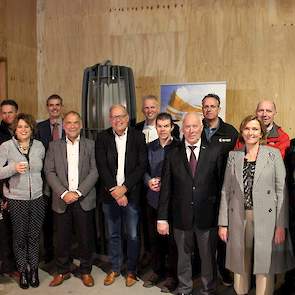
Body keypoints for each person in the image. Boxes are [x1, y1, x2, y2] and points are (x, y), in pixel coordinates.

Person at [218, 115, 295, 295]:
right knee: (240, 263)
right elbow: (225, 191)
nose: (250, 132)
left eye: (255, 129)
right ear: (242, 131)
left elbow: (281, 191)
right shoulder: (233, 156)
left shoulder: (273, 154)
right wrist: (223, 223)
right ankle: (241, 291)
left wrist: (280, 225)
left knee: (264, 264)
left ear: (261, 133)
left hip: (266, 217)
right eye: (247, 129)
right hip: (238, 216)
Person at [157, 112, 225, 295]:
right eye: (187, 126)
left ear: (201, 128)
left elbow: (221, 188)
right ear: (182, 129)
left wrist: (222, 219)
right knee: (183, 258)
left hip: (207, 216)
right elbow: (166, 189)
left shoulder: (214, 151)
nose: (191, 130)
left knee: (207, 257)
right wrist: (162, 218)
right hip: (181, 215)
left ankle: (208, 289)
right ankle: (184, 288)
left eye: (195, 126)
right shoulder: (173, 153)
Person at [44, 111, 98, 287]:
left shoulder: (91, 145)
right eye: (69, 122)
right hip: (62, 200)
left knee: (85, 238)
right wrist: (63, 193)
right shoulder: (53, 146)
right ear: (64, 125)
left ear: (80, 125)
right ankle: (62, 271)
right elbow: (49, 171)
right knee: (61, 239)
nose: (72, 125)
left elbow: (95, 171)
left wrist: (79, 192)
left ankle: (85, 270)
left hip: (84, 199)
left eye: (76, 122)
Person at [95, 104, 147, 287]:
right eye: (114, 117)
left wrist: (124, 188)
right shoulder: (102, 137)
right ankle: (115, 268)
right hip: (110, 196)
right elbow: (101, 166)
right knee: (113, 234)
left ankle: (131, 271)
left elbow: (141, 166)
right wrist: (116, 192)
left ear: (127, 118)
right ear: (110, 120)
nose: (118, 120)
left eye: (121, 116)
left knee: (132, 235)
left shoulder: (138, 137)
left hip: (131, 195)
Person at [0, 113, 46, 289]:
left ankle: (34, 269)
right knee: (19, 237)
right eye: (20, 126)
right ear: (15, 129)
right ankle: (23, 271)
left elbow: (43, 171)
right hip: (16, 199)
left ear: (32, 128)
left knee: (34, 236)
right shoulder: (6, 146)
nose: (23, 129)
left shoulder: (40, 146)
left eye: (27, 126)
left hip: (37, 198)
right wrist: (13, 168)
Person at [201, 93, 238, 287]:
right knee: (202, 234)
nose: (209, 109)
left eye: (212, 106)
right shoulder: (195, 129)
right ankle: (203, 270)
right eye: (205, 106)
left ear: (219, 108)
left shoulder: (230, 132)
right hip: (200, 193)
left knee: (223, 235)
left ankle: (223, 270)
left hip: (224, 193)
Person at [143, 112, 179, 293]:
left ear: (172, 127)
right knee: (155, 240)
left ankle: (173, 277)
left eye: (166, 126)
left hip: (172, 203)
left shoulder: (179, 147)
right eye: (160, 126)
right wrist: (148, 180)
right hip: (153, 200)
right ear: (155, 127)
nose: (163, 129)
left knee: (172, 243)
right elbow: (142, 170)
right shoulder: (149, 147)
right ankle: (157, 271)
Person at [35, 94, 65, 264]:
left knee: (64, 219)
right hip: (46, 181)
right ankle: (48, 251)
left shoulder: (68, 126)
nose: (54, 108)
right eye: (51, 105)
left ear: (61, 106)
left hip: (66, 180)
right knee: (46, 219)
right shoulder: (39, 128)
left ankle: (64, 251)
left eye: (57, 105)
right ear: (47, 107)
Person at [0, 99, 18, 277]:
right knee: (5, 230)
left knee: (17, 229)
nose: (7, 115)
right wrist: (3, 197)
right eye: (4, 112)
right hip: (4, 190)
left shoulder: (22, 129)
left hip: (20, 189)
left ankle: (16, 264)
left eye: (10, 112)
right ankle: (8, 267)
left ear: (16, 112)